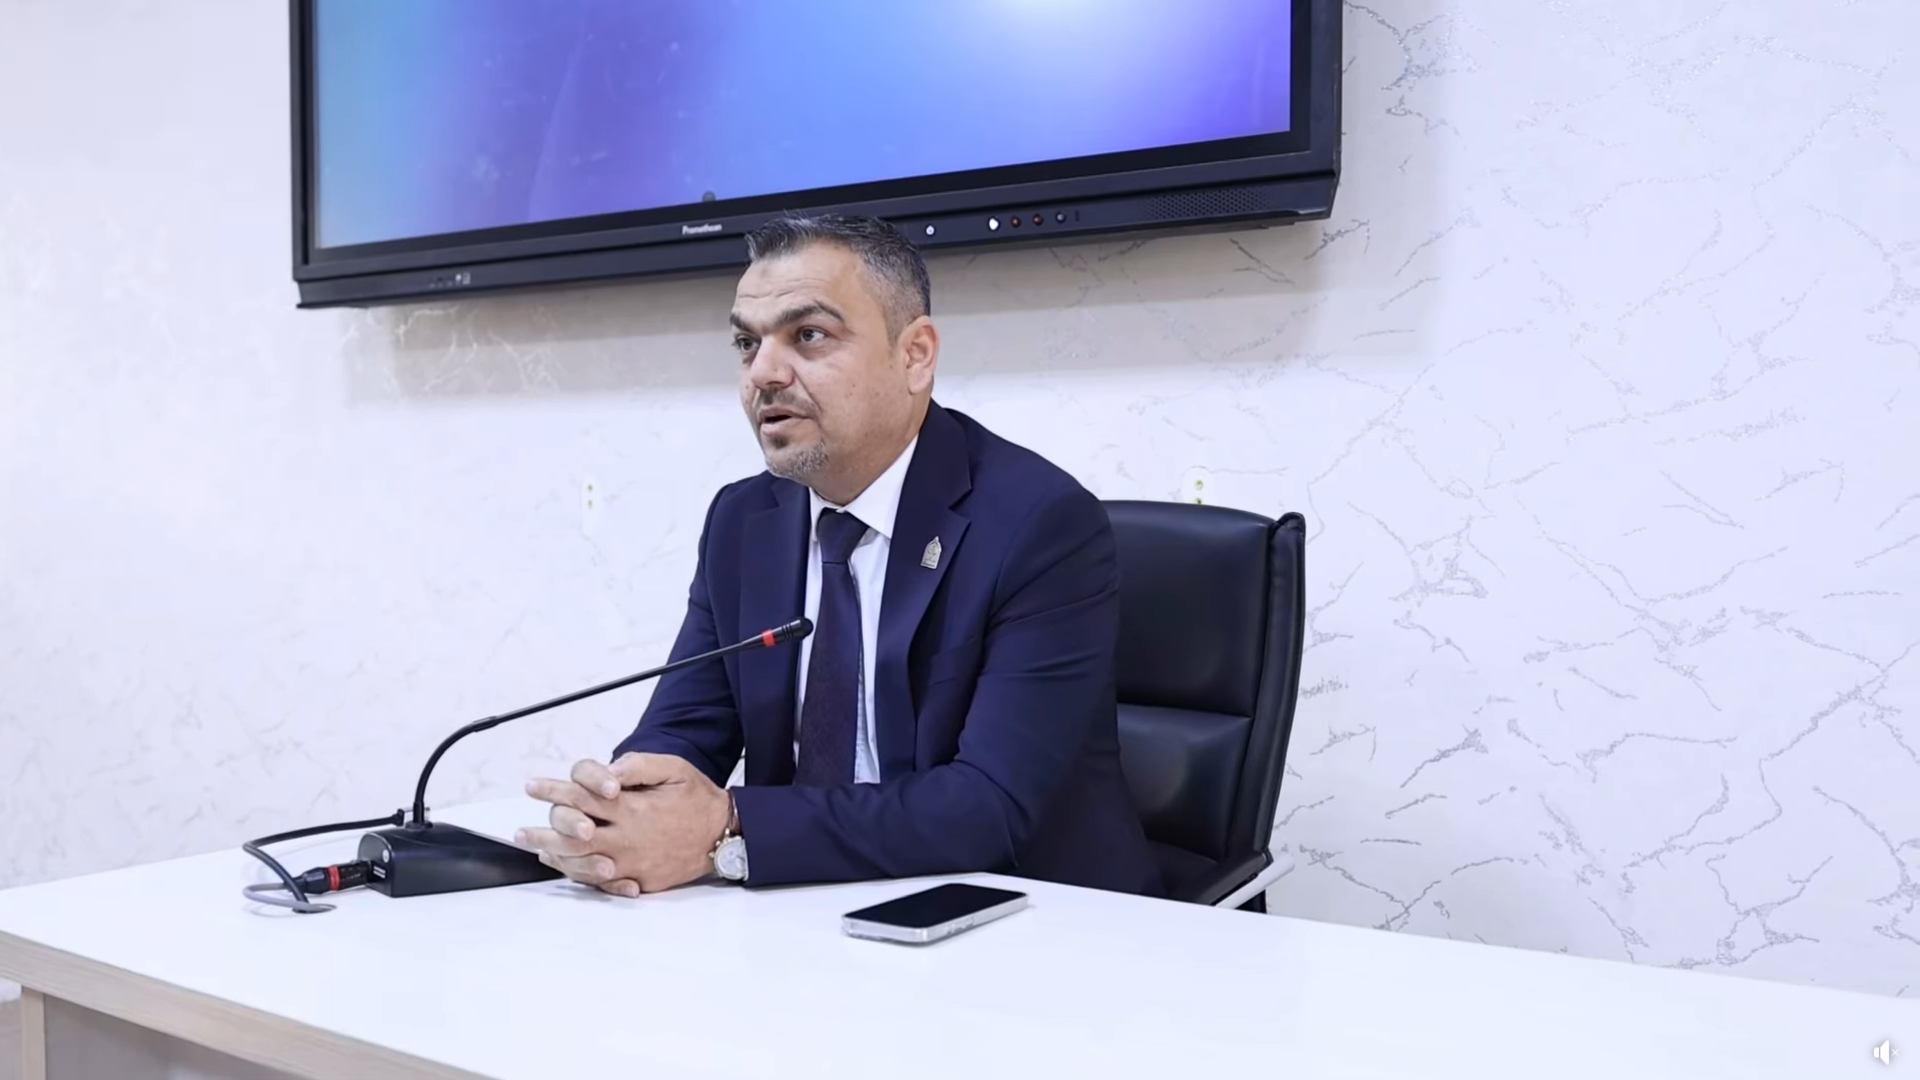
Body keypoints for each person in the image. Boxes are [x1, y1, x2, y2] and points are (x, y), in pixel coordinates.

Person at [514, 214, 1163, 898]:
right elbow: (684, 729)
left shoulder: (1037, 524)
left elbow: (991, 807)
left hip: (1025, 918)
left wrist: (730, 827)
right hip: (804, 907)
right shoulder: (744, 520)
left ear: (915, 356)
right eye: (747, 343)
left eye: (809, 335)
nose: (764, 374)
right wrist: (619, 810)